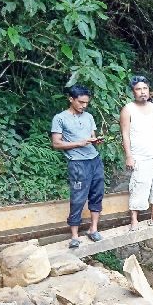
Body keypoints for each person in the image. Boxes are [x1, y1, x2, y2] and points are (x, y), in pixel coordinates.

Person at [51, 85, 105, 248]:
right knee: (78, 197)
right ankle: (74, 235)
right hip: (77, 163)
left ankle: (93, 229)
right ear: (71, 99)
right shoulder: (60, 118)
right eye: (81, 102)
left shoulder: (88, 117)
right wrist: (78, 143)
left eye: (86, 103)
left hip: (94, 159)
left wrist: (96, 141)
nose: (84, 106)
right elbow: (56, 143)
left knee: (97, 194)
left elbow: (92, 137)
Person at [120, 76, 153, 230]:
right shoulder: (128, 109)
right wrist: (129, 156)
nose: (142, 92)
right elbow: (125, 134)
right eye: (138, 89)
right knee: (138, 185)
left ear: (149, 90)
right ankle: (134, 220)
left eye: (145, 89)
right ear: (133, 92)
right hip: (139, 155)